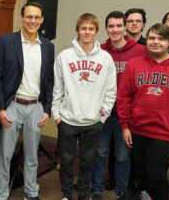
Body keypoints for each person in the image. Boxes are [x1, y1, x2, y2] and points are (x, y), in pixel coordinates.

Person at [117, 23, 169, 200]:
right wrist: (125, 126)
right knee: (140, 174)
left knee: (156, 176)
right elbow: (124, 97)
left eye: (161, 39)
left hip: (165, 133)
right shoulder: (134, 64)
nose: (155, 42)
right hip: (137, 130)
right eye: (152, 38)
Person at [0, 1, 54, 200]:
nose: (33, 21)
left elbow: (49, 81)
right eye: (29, 16)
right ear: (21, 18)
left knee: (31, 155)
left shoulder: (48, 46)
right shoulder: (6, 41)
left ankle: (31, 192)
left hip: (36, 106)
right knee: (5, 155)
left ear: (42, 20)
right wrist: (1, 108)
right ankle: (1, 195)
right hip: (12, 105)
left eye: (37, 17)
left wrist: (47, 110)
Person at [52, 13, 116, 200]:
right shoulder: (64, 56)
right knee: (66, 161)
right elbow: (57, 88)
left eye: (91, 29)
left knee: (88, 161)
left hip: (93, 121)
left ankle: (82, 194)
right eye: (83, 28)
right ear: (77, 30)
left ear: (96, 31)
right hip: (67, 120)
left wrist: (102, 116)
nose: (87, 32)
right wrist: (57, 115)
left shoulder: (106, 58)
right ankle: (66, 194)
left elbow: (110, 91)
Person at [91, 11, 147, 200]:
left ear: (125, 28)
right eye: (111, 26)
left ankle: (121, 193)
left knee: (123, 158)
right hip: (102, 114)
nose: (115, 30)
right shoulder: (99, 50)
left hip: (126, 117)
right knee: (99, 154)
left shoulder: (140, 51)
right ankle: (96, 191)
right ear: (106, 28)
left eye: (118, 26)